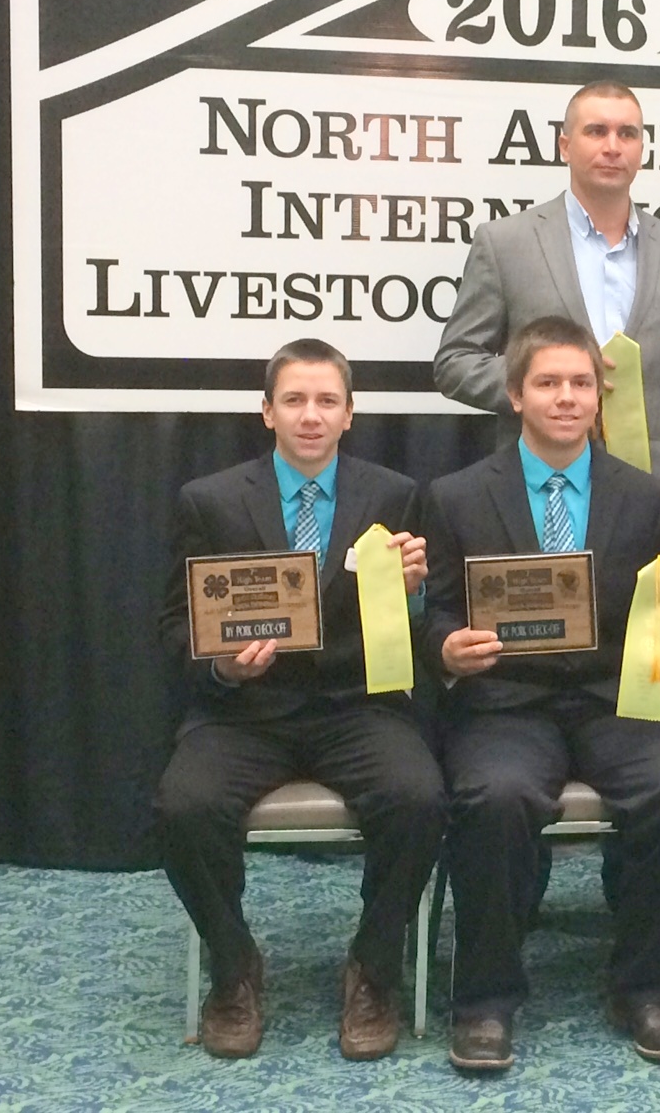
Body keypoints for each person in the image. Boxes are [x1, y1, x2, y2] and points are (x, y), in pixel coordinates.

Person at [420, 316, 660, 1072]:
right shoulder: (454, 496)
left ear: (599, 397)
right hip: (505, 700)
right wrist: (447, 646)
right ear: (516, 394)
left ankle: (644, 987)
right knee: (494, 797)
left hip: (613, 694)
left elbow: (654, 604)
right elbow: (441, 610)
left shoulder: (645, 494)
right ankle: (485, 999)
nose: (565, 397)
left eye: (580, 383)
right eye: (547, 383)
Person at [155, 338, 445, 1061]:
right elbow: (173, 626)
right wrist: (224, 668)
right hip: (245, 712)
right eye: (294, 400)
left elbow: (413, 623)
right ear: (266, 412)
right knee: (181, 808)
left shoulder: (393, 495)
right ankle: (233, 966)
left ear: (350, 415)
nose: (310, 415)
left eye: (326, 401)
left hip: (358, 705)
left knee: (421, 799)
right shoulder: (211, 500)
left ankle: (373, 969)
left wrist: (411, 595)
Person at [433, 79, 660, 563]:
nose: (612, 146)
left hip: (645, 499)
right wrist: (545, 383)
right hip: (535, 489)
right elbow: (454, 362)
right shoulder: (507, 243)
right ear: (565, 145)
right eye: (596, 131)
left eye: (627, 133)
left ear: (642, 149)